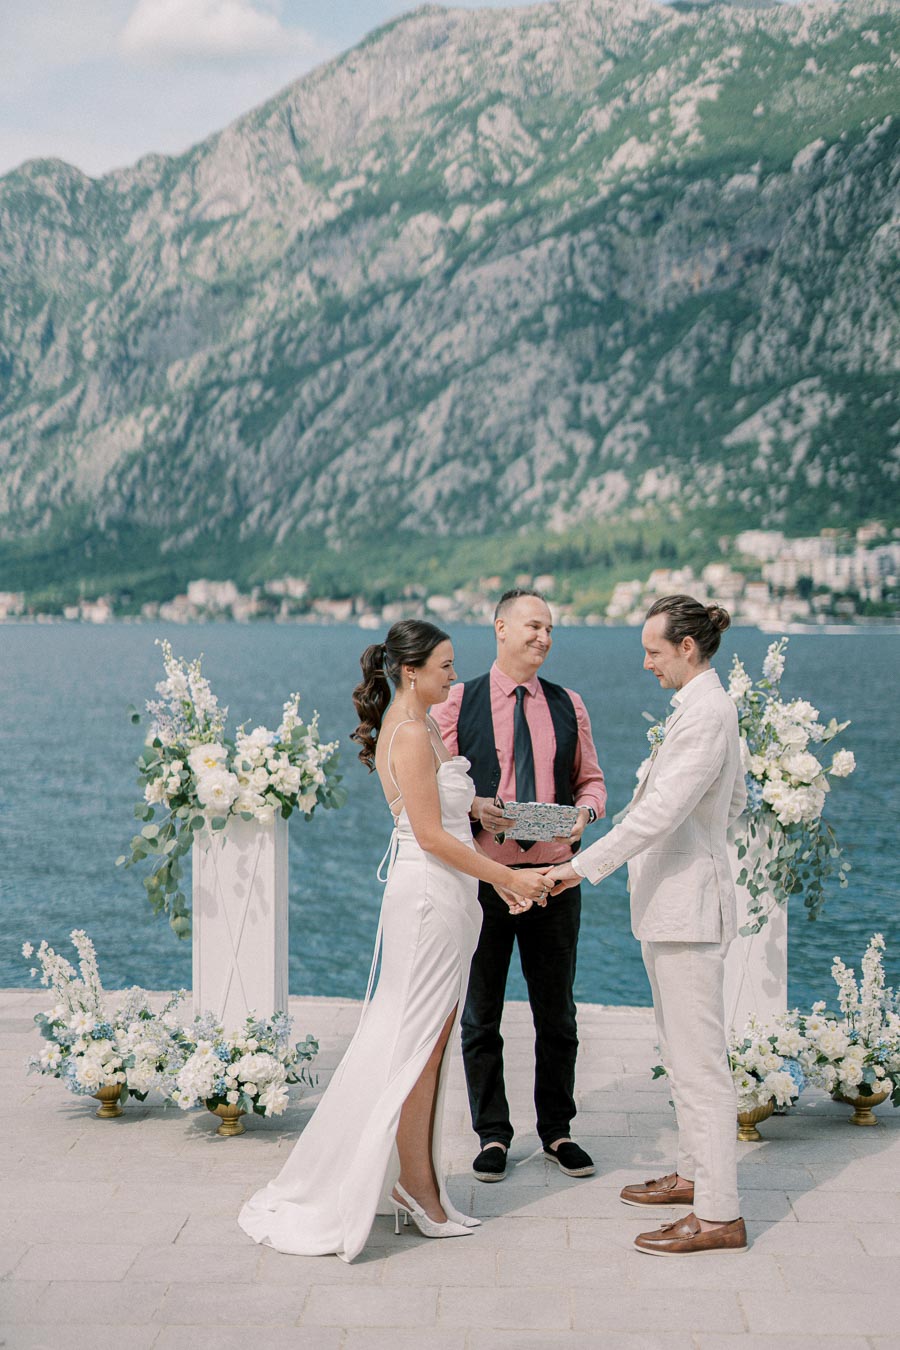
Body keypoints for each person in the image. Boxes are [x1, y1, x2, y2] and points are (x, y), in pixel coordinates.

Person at [237, 620, 551, 1262]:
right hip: (430, 896)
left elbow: (436, 808)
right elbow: (429, 836)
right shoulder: (408, 732)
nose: (452, 677)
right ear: (411, 671)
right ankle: (415, 1188)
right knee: (418, 1047)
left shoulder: (425, 726)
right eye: (443, 667)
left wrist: (480, 809)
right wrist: (510, 880)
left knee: (427, 1044)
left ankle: (417, 1182)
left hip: (450, 895)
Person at [544, 594, 749, 1256]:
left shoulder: (707, 715)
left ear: (687, 649)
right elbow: (733, 801)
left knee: (700, 1068)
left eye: (654, 652)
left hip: (689, 912)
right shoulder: (701, 708)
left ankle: (719, 1214)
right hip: (675, 907)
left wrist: (580, 867)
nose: (645, 664)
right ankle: (694, 1175)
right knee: (682, 1057)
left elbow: (659, 812)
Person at [431, 589, 606, 1183]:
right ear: (501, 628)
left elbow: (592, 782)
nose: (544, 637)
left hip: (555, 881)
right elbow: (431, 789)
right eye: (533, 626)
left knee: (557, 1015)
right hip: (485, 882)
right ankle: (493, 1135)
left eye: (550, 629)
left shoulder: (569, 704)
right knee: (482, 1017)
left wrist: (586, 814)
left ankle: (557, 1130)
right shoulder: (458, 702)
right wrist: (477, 809)